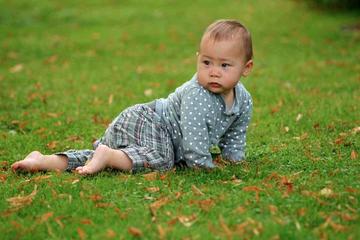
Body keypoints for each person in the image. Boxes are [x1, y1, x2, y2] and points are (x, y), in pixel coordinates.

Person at [11, 19, 254, 175]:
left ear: (246, 68)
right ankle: (107, 154)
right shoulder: (197, 96)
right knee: (162, 160)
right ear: (197, 58)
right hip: (149, 122)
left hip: (149, 131)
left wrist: (233, 160)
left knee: (97, 159)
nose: (213, 71)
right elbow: (194, 145)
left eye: (224, 65)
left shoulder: (243, 101)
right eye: (206, 62)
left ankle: (43, 160)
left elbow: (235, 134)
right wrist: (205, 168)